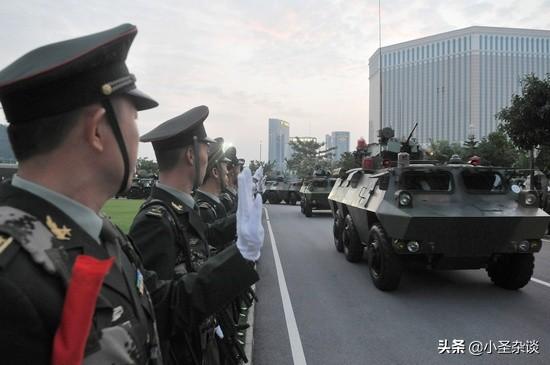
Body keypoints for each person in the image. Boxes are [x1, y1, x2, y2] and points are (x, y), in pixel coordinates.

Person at [0, 24, 259, 365]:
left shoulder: (101, 234)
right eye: (133, 119)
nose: (140, 142)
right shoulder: (11, 279)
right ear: (96, 131)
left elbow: (165, 306)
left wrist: (243, 254)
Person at [129, 107, 261, 365]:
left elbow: (204, 248)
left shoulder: (180, 209)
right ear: (191, 155)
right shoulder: (155, 221)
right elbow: (161, 311)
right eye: (204, 150)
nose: (207, 156)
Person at [195, 138, 237, 250]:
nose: (227, 172)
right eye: (224, 166)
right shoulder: (203, 209)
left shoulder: (215, 203)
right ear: (215, 172)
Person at [220, 146, 240, 214]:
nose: (240, 174)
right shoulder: (225, 196)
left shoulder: (232, 193)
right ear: (232, 171)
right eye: (239, 170)